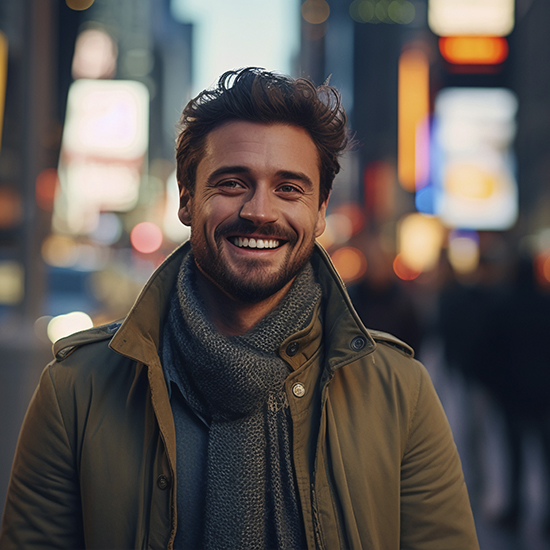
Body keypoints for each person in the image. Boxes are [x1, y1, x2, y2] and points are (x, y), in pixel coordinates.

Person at [0, 68, 479, 550]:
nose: (259, 211)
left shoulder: (399, 390)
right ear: (186, 199)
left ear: (319, 211)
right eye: (232, 183)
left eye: (289, 188)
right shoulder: (76, 388)